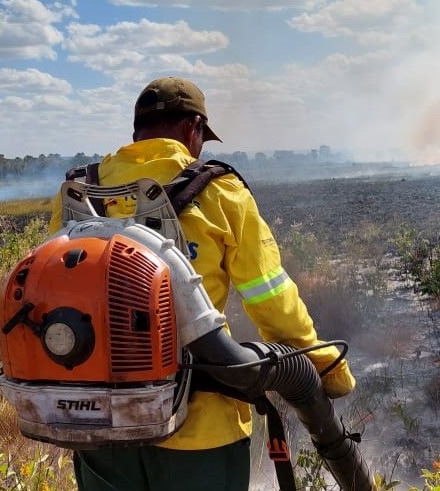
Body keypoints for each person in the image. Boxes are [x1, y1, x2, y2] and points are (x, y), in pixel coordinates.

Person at [48, 76, 356, 491]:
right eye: (201, 138)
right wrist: (323, 369)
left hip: (98, 425)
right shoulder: (220, 190)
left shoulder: (80, 193)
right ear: (193, 128)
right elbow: (271, 299)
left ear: (136, 132)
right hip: (201, 430)